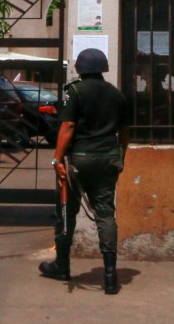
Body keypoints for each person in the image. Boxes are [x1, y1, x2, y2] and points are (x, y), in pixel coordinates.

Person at [39, 46, 127, 294]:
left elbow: (67, 125)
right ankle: (110, 276)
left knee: (67, 211)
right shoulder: (117, 95)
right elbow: (125, 132)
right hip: (109, 158)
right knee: (105, 214)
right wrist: (123, 154)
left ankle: (62, 265)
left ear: (80, 68)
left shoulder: (72, 92)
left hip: (78, 160)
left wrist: (57, 159)